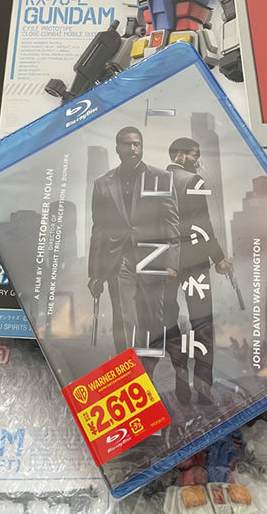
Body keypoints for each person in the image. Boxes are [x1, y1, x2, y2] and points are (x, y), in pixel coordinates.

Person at [88, 127, 179, 370]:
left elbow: (171, 222)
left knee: (154, 320)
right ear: (117, 148)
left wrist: (171, 263)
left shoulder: (161, 177)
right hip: (119, 261)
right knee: (124, 319)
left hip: (153, 258)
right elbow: (99, 229)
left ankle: (147, 370)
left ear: (142, 147)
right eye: (128, 144)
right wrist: (95, 273)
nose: (133, 149)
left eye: (137, 144)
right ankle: (129, 372)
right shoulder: (102, 183)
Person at [165, 137, 230, 404]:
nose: (197, 160)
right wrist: (219, 258)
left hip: (165, 265)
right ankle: (203, 390)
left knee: (168, 323)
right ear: (180, 155)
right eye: (194, 154)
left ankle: (181, 381)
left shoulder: (154, 180)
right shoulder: (193, 181)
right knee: (202, 325)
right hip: (193, 262)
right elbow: (202, 223)